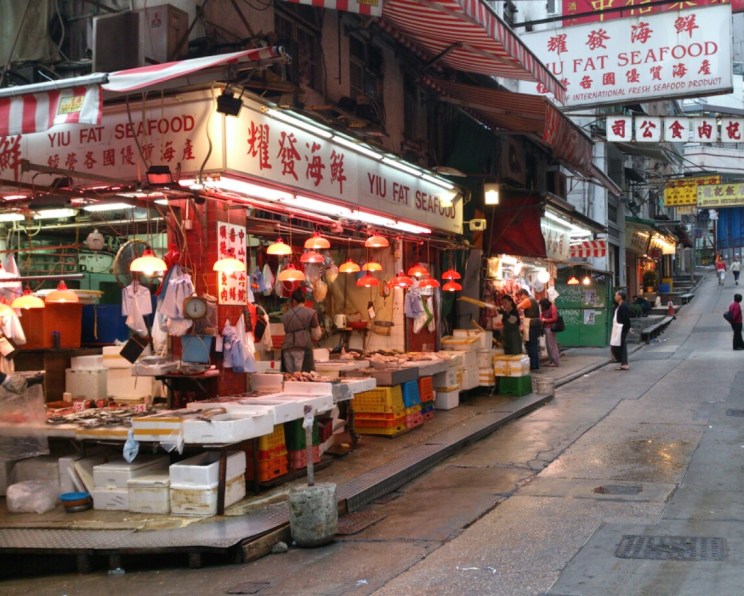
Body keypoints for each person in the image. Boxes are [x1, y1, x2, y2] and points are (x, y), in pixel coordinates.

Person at [281, 288, 321, 373]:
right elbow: (317, 334)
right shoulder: (311, 313)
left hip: (287, 349)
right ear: (304, 300)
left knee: (290, 377)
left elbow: (284, 331)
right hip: (302, 348)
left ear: (294, 301)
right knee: (301, 377)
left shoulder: (285, 316)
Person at [516, 288, 541, 370]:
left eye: (520, 297)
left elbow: (517, 307)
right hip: (535, 324)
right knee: (534, 344)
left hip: (532, 325)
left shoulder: (527, 300)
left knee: (531, 345)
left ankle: (532, 365)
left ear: (523, 294)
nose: (520, 299)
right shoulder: (532, 299)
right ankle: (535, 364)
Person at [610, 290, 631, 370]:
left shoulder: (623, 306)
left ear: (620, 296)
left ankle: (624, 363)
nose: (615, 297)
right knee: (616, 345)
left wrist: (626, 328)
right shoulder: (619, 306)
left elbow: (626, 319)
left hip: (621, 328)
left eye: (616, 295)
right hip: (617, 328)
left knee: (621, 345)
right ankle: (622, 362)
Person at [539, 298, 560, 367]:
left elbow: (555, 318)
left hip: (551, 328)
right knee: (548, 345)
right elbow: (542, 314)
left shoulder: (552, 307)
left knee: (552, 345)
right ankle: (551, 360)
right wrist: (541, 318)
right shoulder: (544, 308)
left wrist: (545, 320)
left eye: (542, 305)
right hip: (546, 328)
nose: (541, 307)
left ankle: (556, 362)